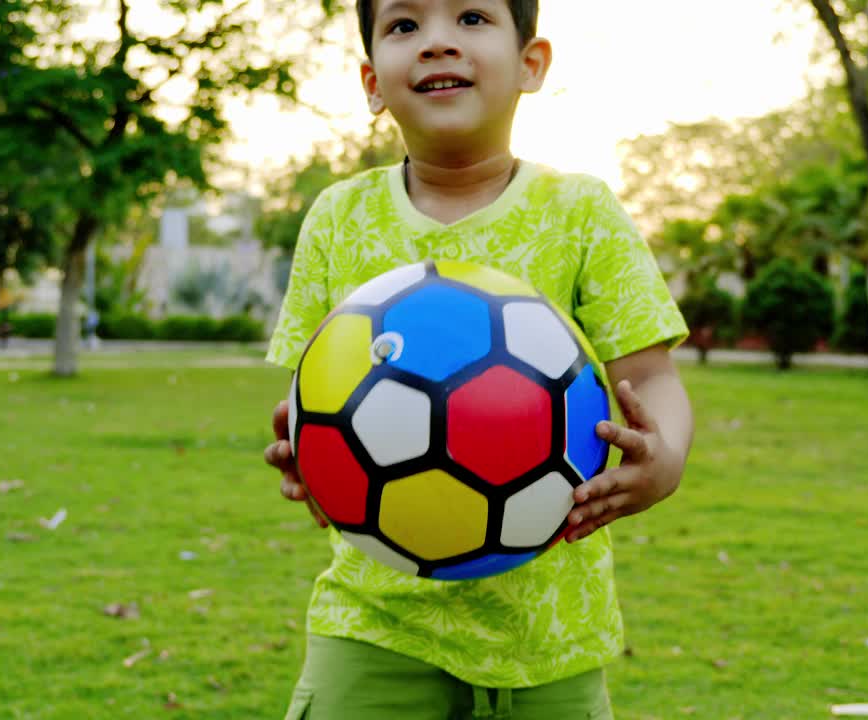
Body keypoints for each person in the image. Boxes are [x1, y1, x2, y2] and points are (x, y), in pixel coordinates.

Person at [263, 1, 693, 717]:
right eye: (405, 26)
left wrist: (665, 457)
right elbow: (314, 393)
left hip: (551, 626)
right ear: (372, 82)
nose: (436, 44)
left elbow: (650, 377)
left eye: (470, 17)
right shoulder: (339, 218)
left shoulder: (580, 212)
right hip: (377, 617)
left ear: (531, 64)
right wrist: (304, 453)